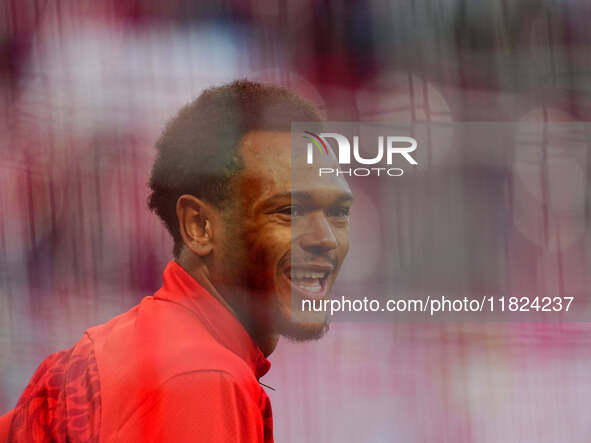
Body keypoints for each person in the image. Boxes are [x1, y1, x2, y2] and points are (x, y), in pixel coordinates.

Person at [0, 80, 353, 442]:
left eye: (339, 212)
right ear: (199, 226)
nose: (324, 239)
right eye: (289, 211)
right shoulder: (199, 377)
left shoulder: (153, 344)